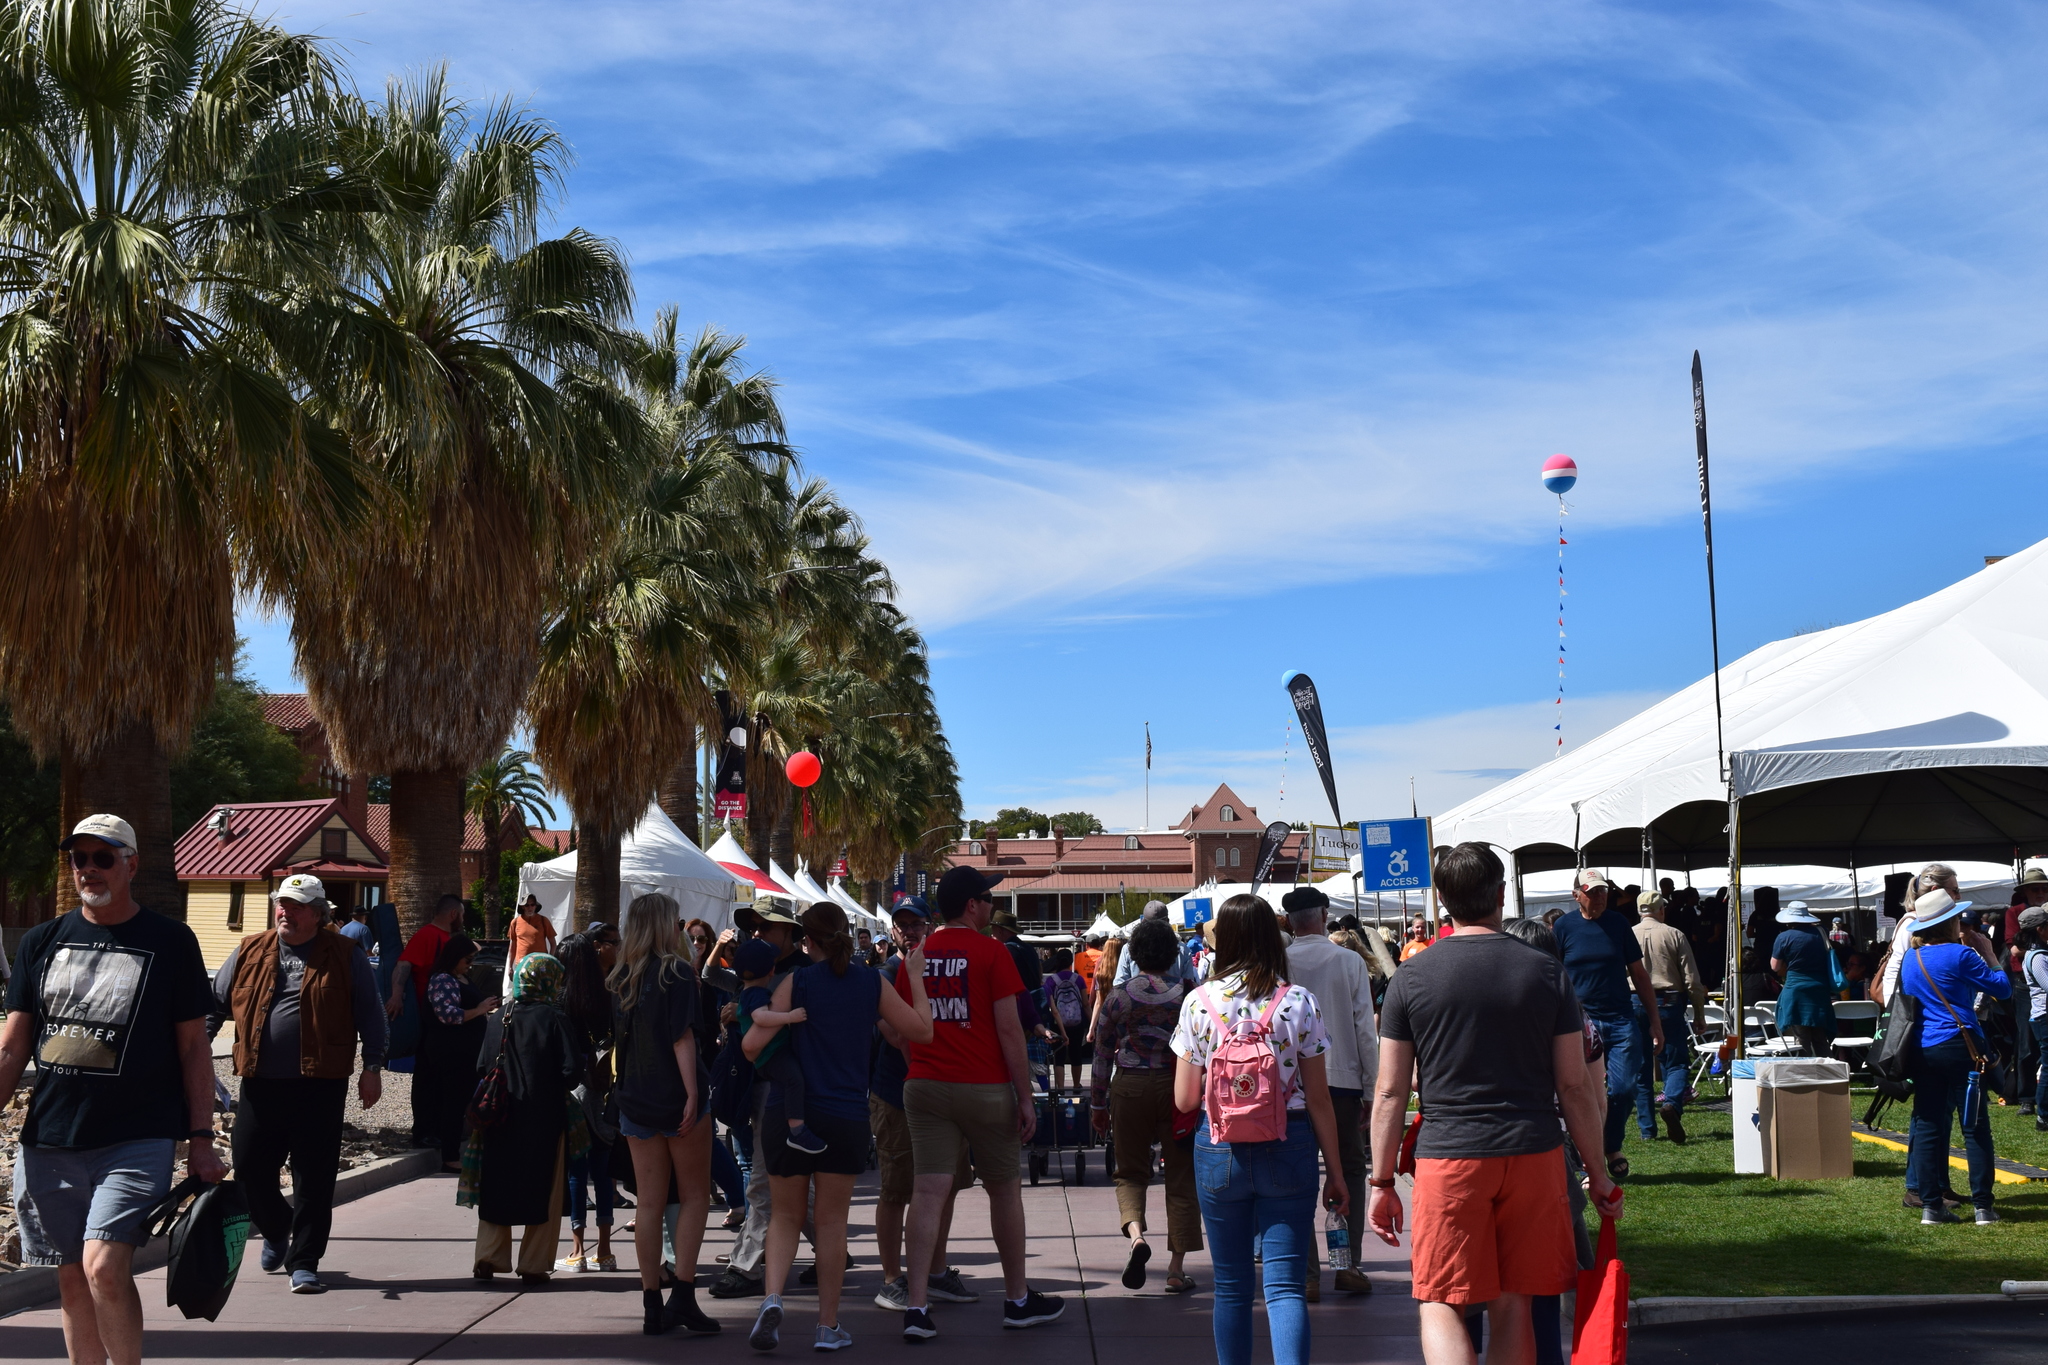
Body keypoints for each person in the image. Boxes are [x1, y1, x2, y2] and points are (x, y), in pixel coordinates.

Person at [1371, 846, 1622, 1365]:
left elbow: (1392, 1091)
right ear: (1502, 896)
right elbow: (1574, 1087)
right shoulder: (1548, 975)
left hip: (1451, 1155)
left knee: (1441, 1300)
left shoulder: (1410, 978)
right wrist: (1597, 1173)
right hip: (1533, 1153)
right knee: (1515, 1304)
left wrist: (1379, 1182)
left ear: (1442, 900)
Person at [1, 814, 224, 1365]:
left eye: (103, 857)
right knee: (73, 1279)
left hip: (137, 1137)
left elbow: (195, 1047)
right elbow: (12, 1046)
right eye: (80, 858)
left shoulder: (171, 941)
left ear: (131, 865)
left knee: (104, 1266)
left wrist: (200, 1137)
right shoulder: (40, 942)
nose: (89, 869)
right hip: (49, 1139)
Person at [743, 902, 934, 1352]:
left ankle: (772, 1297)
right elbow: (921, 1031)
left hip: (791, 1115)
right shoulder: (872, 982)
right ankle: (827, 1327)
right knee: (831, 1223)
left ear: (805, 939)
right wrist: (918, 978)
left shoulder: (797, 982)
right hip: (846, 1115)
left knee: (786, 1216)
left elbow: (752, 1046)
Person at [1171, 894, 1346, 1365]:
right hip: (1288, 1145)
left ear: (1222, 939)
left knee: (1230, 1288)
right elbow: (1321, 1099)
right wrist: (1337, 1172)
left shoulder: (1197, 1003)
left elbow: (1185, 1101)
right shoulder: (1298, 1002)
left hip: (1219, 1148)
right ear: (1274, 937)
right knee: (1286, 1288)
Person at [894, 864, 1064, 1340]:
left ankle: (916, 1308)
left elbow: (902, 1028)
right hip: (985, 1087)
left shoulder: (917, 955)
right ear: (971, 905)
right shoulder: (992, 952)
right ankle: (1016, 1299)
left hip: (925, 1085)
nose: (992, 906)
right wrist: (1025, 1096)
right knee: (1004, 1190)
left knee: (927, 1192)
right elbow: (1010, 1029)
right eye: (987, 899)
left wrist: (920, 1064)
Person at [210, 874, 388, 1293]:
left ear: (318, 913)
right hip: (260, 1082)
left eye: (296, 905)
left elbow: (371, 1014)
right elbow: (213, 1004)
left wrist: (373, 1066)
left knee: (314, 1177)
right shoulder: (250, 948)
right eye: (281, 904)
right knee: (250, 1169)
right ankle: (276, 1230)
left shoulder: (346, 953)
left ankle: (304, 1260)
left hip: (320, 1085)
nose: (285, 911)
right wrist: (198, 1052)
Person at [610, 892, 722, 1333]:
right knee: (694, 1195)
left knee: (650, 1202)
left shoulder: (620, 977)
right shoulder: (675, 971)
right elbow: (682, 1039)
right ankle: (684, 1295)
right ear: (663, 926)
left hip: (634, 1096)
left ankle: (651, 1303)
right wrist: (693, 1095)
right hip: (676, 1098)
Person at [868, 897, 980, 1313]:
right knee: (896, 1189)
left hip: (943, 1094)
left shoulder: (944, 966)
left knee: (944, 1187)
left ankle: (935, 1271)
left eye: (917, 923)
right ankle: (892, 1278)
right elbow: (900, 1036)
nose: (910, 931)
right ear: (894, 931)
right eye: (903, 925)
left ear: (931, 925)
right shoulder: (886, 974)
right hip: (897, 1095)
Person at [1090, 916, 1200, 1295]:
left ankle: (1136, 1237)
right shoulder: (1188, 992)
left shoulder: (1120, 996)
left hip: (1130, 1087)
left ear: (1134, 954)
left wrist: (1097, 1103)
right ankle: (1175, 1268)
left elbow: (1102, 1051)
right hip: (1177, 1089)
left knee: (1131, 1172)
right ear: (1172, 955)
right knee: (1182, 1178)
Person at [1282, 884, 1379, 1298]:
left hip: (1292, 1085)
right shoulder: (1349, 961)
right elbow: (1364, 1027)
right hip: (1341, 1082)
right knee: (1349, 1174)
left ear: (1290, 921)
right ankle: (1346, 1262)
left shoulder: (1279, 960)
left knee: (1299, 1178)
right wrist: (1372, 1090)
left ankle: (1307, 1274)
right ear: (1324, 916)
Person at [714, 900, 809, 1299]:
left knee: (765, 1179)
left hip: (783, 1088)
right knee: (789, 1179)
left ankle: (747, 1264)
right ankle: (833, 1250)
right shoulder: (758, 973)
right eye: (753, 928)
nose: (757, 933)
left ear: (789, 933)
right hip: (760, 1084)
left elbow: (761, 1037)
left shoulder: (801, 976)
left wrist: (747, 1016)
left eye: (765, 927)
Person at [1898, 892, 2011, 1224]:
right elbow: (2001, 988)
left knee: (1929, 1124)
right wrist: (1989, 952)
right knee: (1974, 1127)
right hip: (1962, 1047)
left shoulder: (1911, 958)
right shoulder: (1962, 955)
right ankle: (1983, 1207)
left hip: (1923, 1048)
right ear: (1950, 923)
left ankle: (1931, 1207)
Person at [1550, 868, 1661, 1180]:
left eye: (1603, 891)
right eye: (1592, 891)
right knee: (1583, 1093)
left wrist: (1655, 1023)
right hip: (1581, 1023)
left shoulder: (1618, 924)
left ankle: (1610, 1144)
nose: (1599, 897)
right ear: (1577, 896)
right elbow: (1554, 974)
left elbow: (1639, 975)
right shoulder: (1563, 926)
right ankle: (1592, 1158)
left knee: (1624, 1088)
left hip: (1621, 1019)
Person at [556, 924, 621, 1272]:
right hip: (605, 1089)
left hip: (576, 1093)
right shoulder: (609, 995)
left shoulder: (562, 1001)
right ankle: (606, 1250)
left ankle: (578, 1249)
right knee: (604, 1167)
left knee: (577, 1173)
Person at [735, 938, 829, 1155]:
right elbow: (760, 1017)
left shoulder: (747, 992)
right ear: (771, 971)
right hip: (770, 1055)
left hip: (770, 1053)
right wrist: (789, 1016)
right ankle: (797, 1131)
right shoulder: (755, 994)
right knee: (794, 1078)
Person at [388, 892, 467, 1144]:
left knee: (438, 1076)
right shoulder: (428, 935)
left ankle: (437, 1128)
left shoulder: (445, 937)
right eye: (462, 914)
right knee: (427, 1076)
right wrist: (397, 996)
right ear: (453, 914)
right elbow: (403, 965)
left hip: (441, 1020)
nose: (463, 919)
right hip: (428, 1019)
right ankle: (424, 1131)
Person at [1631, 891, 1706, 1144]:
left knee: (1641, 1066)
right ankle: (1672, 1103)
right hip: (1669, 1001)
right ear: (1661, 909)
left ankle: (1646, 1130)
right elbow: (1692, 979)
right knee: (1675, 1062)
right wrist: (1699, 1013)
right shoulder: (1674, 934)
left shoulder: (1627, 934)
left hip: (1635, 1000)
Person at [417, 935, 497, 1169]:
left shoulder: (460, 977)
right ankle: (450, 1157)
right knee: (452, 1102)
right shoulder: (443, 979)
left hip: (466, 1052)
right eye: (467, 959)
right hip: (450, 1053)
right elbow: (448, 1015)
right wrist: (479, 1009)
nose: (469, 964)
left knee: (459, 1101)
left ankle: (454, 1151)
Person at [1770, 903, 1837, 1058]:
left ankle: (1804, 1073)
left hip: (1796, 989)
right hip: (1819, 988)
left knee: (1801, 1037)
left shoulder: (1784, 937)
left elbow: (1775, 966)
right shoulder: (1822, 932)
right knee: (1820, 1037)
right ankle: (1829, 1073)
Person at [1113, 901, 1202, 988]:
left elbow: (1119, 983)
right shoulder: (1182, 949)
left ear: (1143, 922)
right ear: (1167, 922)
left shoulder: (1128, 948)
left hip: (1136, 1001)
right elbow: (1188, 984)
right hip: (1175, 1001)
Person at [2018, 907, 2048, 1133]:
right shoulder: (2037, 957)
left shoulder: (2038, 953)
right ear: (2040, 929)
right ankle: (2043, 1116)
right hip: (2044, 1017)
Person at [1044, 949, 1091, 1089]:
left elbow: (1051, 1007)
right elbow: (1085, 1003)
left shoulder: (1051, 980)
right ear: (1071, 962)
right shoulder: (1079, 979)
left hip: (1058, 1024)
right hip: (1077, 1023)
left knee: (1059, 1057)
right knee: (1076, 1054)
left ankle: (1061, 1088)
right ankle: (1077, 1085)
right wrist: (1094, 1023)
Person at [509, 894, 557, 967]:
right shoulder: (515, 922)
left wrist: (549, 960)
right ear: (523, 907)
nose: (530, 908)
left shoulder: (543, 920)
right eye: (527, 905)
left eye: (532, 905)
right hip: (522, 965)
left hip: (541, 964)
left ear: (536, 906)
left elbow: (553, 944)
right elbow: (513, 946)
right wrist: (510, 967)